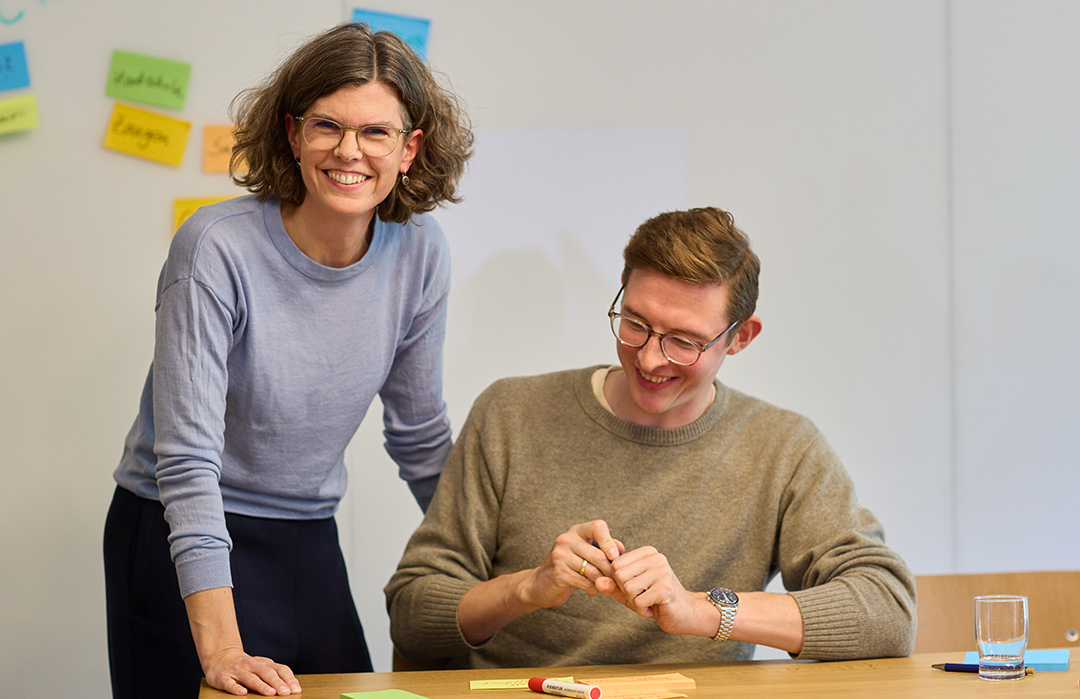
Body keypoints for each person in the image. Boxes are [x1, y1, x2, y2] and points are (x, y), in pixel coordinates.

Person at [104, 22, 473, 698]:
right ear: (292, 132)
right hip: (174, 522)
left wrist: (499, 576)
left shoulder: (421, 251)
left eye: (376, 132)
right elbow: (187, 459)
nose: (349, 151)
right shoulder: (215, 247)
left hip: (304, 532)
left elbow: (420, 436)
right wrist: (220, 649)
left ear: (410, 148)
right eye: (327, 125)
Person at [385, 207, 917, 668]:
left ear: (740, 339)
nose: (648, 358)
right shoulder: (511, 414)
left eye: (684, 341)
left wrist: (702, 611)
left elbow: (885, 612)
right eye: (634, 323)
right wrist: (526, 589)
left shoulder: (783, 448)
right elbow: (412, 614)